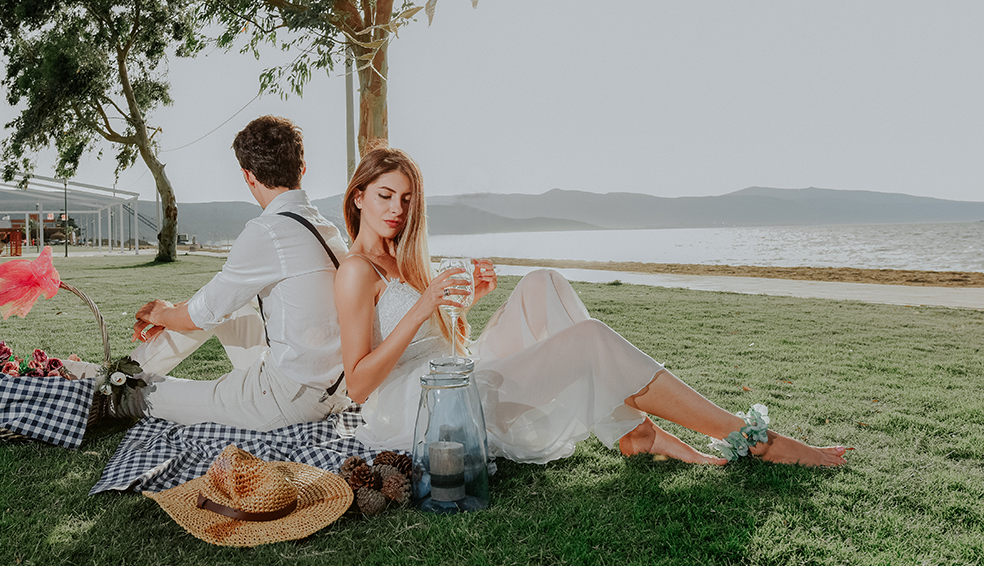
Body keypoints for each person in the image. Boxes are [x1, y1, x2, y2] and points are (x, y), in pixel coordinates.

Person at [334, 146, 848, 466]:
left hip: (455, 374)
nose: (397, 210)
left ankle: (637, 433)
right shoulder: (356, 272)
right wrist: (424, 305)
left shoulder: (401, 261)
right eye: (384, 196)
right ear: (358, 198)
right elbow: (358, 383)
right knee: (590, 339)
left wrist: (466, 304)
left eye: (406, 199)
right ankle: (748, 438)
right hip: (429, 412)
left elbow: (445, 343)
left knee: (541, 281)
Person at [96, 116, 349, 429]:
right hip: (331, 389)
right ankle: (130, 368)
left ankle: (114, 385)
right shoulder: (326, 228)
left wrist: (161, 314)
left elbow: (200, 315)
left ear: (248, 176)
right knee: (232, 303)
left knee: (155, 395)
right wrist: (174, 312)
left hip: (290, 400)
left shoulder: (269, 231)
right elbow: (214, 303)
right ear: (303, 167)